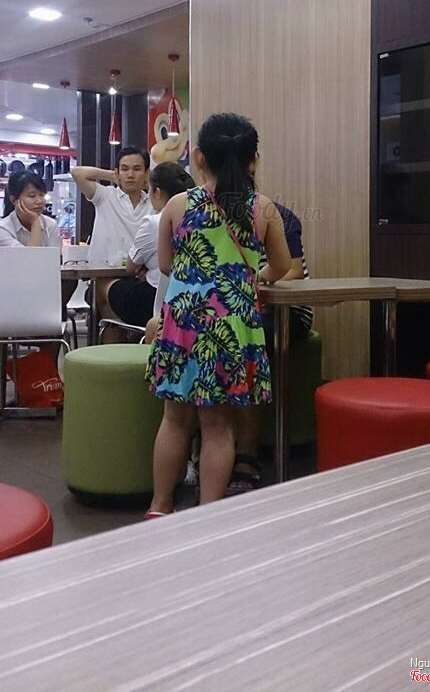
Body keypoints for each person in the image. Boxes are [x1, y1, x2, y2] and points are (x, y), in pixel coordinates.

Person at [145, 112, 291, 515]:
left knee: (174, 420)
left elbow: (166, 265)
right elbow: (281, 266)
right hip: (232, 324)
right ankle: (208, 515)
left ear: (198, 158)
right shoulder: (263, 209)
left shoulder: (176, 205)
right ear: (253, 161)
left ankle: (159, 506)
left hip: (182, 324)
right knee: (217, 425)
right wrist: (253, 276)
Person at [228, 199, 313, 493]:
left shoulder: (276, 215)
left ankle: (246, 453)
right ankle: (203, 447)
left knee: (245, 343)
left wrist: (253, 282)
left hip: (287, 310)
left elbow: (292, 271)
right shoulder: (209, 212)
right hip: (236, 310)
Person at [107, 163, 194, 329]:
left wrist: (146, 267)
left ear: (157, 192)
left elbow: (131, 266)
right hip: (188, 298)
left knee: (104, 288)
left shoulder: (154, 222)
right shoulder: (198, 220)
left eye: (149, 189)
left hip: (154, 299)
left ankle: (113, 337)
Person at [71, 146, 151, 327]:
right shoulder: (106, 195)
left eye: (137, 169)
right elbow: (77, 173)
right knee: (110, 312)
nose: (130, 174)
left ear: (146, 173)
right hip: (104, 276)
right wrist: (112, 176)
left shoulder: (153, 203)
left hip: (141, 278)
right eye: (125, 169)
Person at [0, 171, 60, 248]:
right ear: (14, 200)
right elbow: (30, 255)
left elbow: (55, 255)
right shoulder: (3, 229)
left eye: (42, 195)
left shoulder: (50, 225)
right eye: (32, 196)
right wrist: (35, 222)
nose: (39, 201)